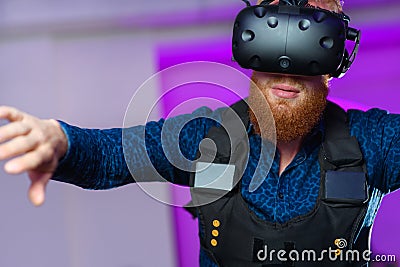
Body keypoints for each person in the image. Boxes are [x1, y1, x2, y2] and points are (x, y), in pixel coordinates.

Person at [0, 0, 399, 266]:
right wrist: (61, 140)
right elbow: (110, 154)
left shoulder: (372, 143)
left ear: (336, 60)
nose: (288, 60)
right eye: (275, 29)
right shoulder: (206, 138)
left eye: (314, 38)